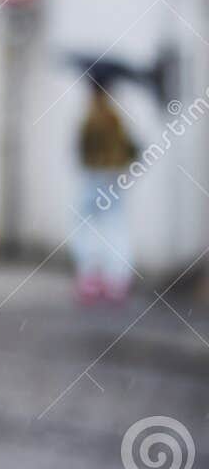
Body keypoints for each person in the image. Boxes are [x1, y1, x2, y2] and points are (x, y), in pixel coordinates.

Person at [73, 75, 139, 306]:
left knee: (88, 226)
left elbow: (81, 149)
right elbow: (130, 148)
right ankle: (116, 279)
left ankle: (92, 277)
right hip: (113, 177)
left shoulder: (92, 117)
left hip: (95, 177)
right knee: (115, 225)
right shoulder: (116, 117)